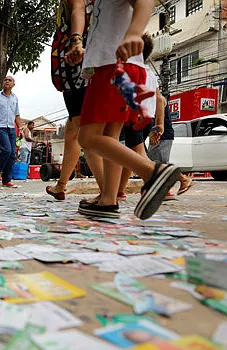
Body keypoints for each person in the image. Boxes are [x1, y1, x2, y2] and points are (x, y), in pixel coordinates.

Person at [76, 0, 181, 220]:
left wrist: (134, 33)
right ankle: (108, 200)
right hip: (122, 66)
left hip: (113, 67)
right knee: (109, 137)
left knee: (88, 137)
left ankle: (152, 172)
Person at [46, 0, 104, 201]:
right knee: (73, 129)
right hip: (89, 59)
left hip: (76, 63)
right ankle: (61, 185)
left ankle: (110, 190)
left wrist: (76, 41)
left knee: (85, 134)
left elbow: (78, 7)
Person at [117, 33, 164, 201]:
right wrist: (160, 124)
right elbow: (160, 100)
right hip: (148, 118)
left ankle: (160, 182)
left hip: (134, 116)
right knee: (132, 155)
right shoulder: (150, 73)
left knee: (138, 155)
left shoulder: (131, 70)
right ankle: (120, 190)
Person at [148, 104, 194, 197]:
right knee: (156, 163)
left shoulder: (158, 97)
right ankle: (166, 191)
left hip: (161, 135)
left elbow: (159, 120)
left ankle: (183, 180)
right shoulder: (154, 97)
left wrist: (156, 131)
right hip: (159, 134)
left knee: (159, 164)